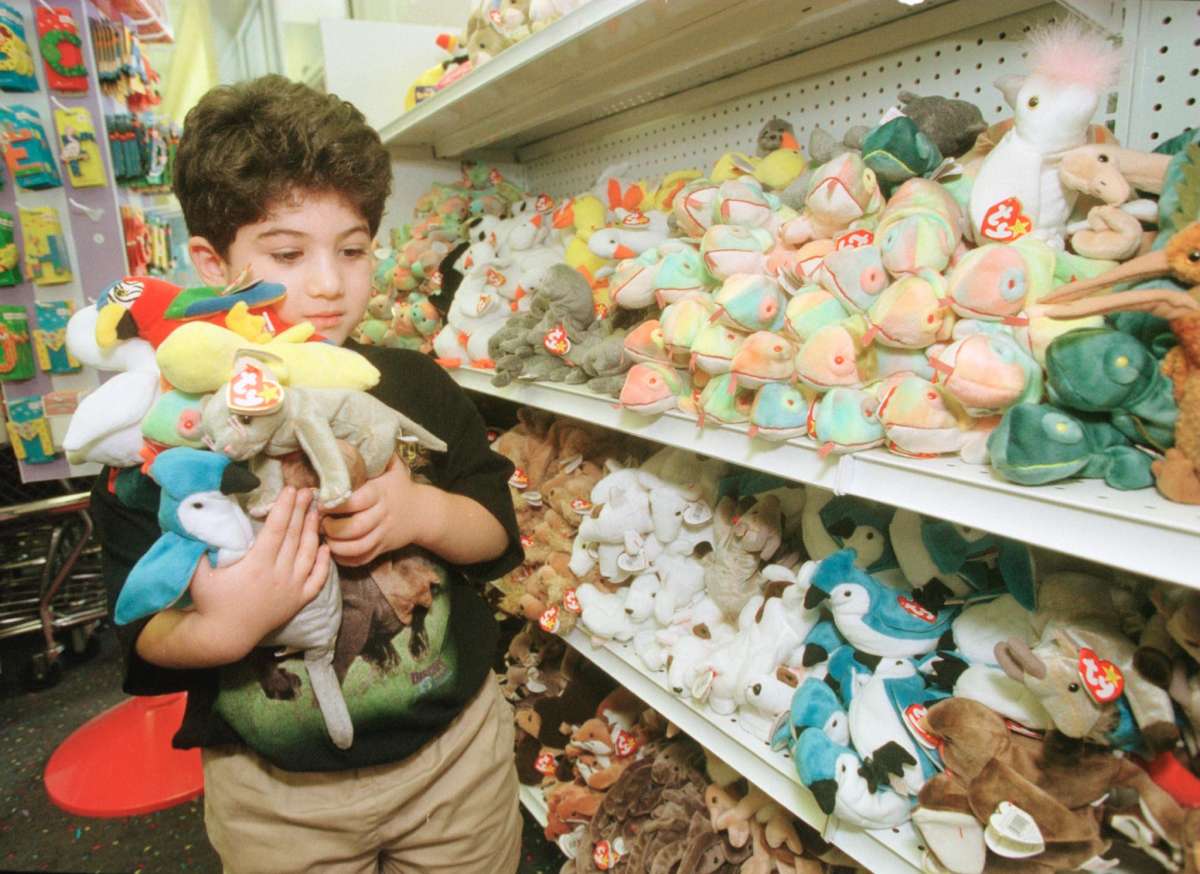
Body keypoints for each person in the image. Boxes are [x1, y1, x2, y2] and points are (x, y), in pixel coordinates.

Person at [91, 74, 525, 874]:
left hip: (454, 766)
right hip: (276, 797)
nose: (329, 282)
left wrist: (417, 512)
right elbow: (139, 622)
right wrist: (229, 624)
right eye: (288, 253)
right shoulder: (164, 430)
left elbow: (496, 526)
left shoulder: (411, 382)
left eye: (353, 248)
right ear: (212, 261)